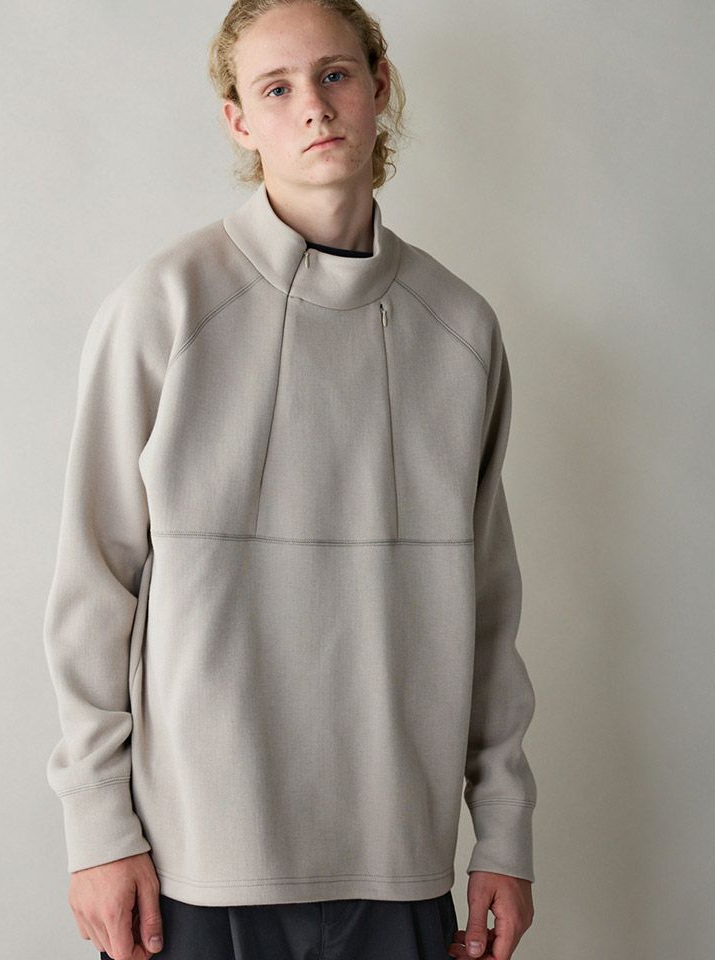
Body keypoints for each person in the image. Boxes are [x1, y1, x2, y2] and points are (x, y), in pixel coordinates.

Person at [42, 2, 538, 958]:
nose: (313, 105)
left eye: (335, 74)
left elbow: (487, 609)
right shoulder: (165, 305)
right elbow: (93, 585)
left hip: (398, 864)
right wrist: (97, 827)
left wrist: (505, 831)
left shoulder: (461, 330)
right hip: (194, 868)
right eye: (276, 88)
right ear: (238, 119)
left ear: (380, 86)